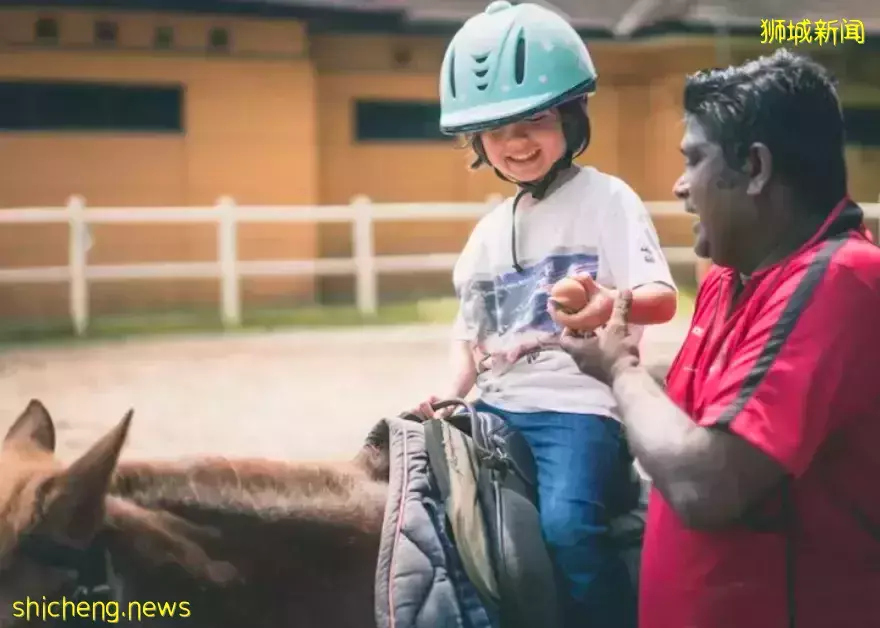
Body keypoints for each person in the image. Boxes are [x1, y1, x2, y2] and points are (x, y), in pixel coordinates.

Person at [554, 48, 880, 628]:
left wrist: (623, 370)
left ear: (754, 168)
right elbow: (705, 407)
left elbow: (706, 483)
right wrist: (609, 355)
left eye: (694, 160)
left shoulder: (841, 281)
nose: (680, 186)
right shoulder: (734, 275)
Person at [415, 2, 678, 627]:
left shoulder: (608, 200)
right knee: (437, 523)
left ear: (571, 114)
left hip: (577, 407)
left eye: (534, 119)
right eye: (499, 130)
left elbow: (661, 298)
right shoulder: (485, 232)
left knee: (565, 528)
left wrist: (603, 306)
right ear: (478, 142)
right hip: (497, 407)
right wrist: (448, 394)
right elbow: (469, 335)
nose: (518, 142)